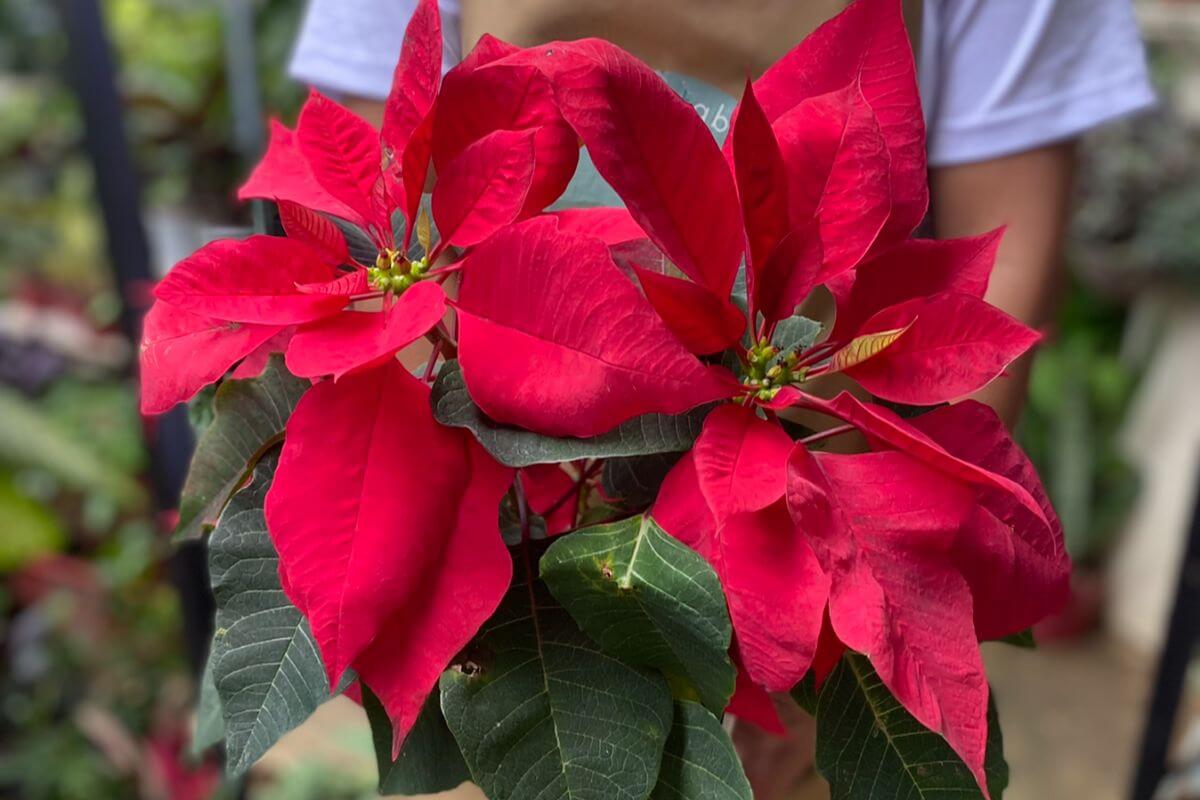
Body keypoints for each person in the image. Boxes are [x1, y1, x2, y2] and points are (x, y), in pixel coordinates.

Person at [287, 1, 1155, 796]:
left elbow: (989, 297)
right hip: (519, 534)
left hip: (797, 532)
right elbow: (381, 191)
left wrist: (810, 668)